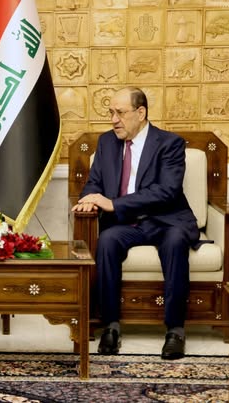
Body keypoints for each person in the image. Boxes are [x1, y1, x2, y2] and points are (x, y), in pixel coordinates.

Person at [71, 87, 199, 360]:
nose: (113, 120)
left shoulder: (170, 143)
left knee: (176, 241)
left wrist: (114, 203)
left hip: (165, 220)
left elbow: (167, 191)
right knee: (106, 241)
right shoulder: (106, 142)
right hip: (126, 224)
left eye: (120, 113)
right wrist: (88, 199)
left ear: (140, 113)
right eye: (110, 113)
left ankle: (175, 330)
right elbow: (94, 181)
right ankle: (111, 326)